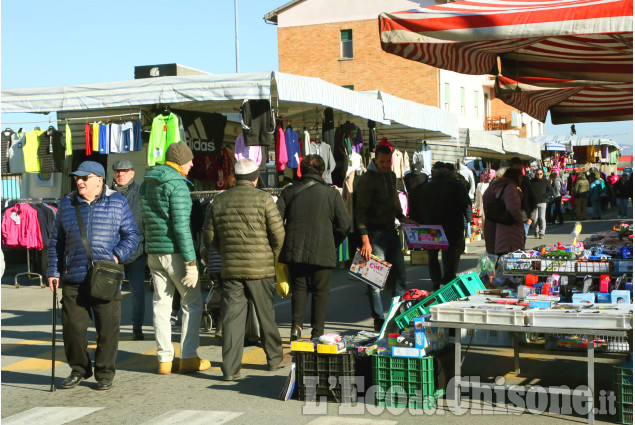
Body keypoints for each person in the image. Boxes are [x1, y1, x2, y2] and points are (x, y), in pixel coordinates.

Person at [47, 161, 140, 391]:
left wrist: (117, 257)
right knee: (72, 329)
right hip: (73, 276)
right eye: (77, 178)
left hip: (105, 277)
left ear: (99, 180)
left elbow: (132, 236)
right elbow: (55, 243)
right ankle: (80, 369)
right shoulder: (67, 203)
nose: (79, 181)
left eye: (85, 178)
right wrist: (52, 271)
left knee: (107, 330)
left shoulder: (118, 202)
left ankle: (105, 373)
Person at [204, 158, 289, 381]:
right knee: (265, 313)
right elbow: (278, 235)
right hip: (261, 269)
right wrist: (275, 258)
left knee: (232, 318)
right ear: (255, 177)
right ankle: (274, 358)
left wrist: (224, 253)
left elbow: (210, 236)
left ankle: (231, 369)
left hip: (230, 268)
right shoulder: (264, 199)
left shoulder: (219, 200)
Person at [140, 141, 210, 375]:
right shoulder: (177, 184)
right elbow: (181, 227)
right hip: (176, 253)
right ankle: (189, 356)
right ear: (180, 161)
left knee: (161, 305)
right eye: (189, 160)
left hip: (154, 252)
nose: (192, 164)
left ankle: (164, 360)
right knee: (191, 302)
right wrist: (191, 263)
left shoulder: (148, 181)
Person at [276, 155, 352, 340]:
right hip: (322, 251)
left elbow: (276, 221)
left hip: (295, 251)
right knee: (320, 292)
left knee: (300, 289)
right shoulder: (331, 194)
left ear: (301, 170)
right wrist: (332, 241)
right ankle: (317, 333)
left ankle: (296, 326)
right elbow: (345, 224)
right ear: (322, 172)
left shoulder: (288, 192)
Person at [355, 144, 417, 332]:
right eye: (382, 162)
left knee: (401, 279)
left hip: (391, 232)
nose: (386, 165)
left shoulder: (390, 176)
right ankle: (379, 319)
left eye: (388, 162)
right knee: (374, 281)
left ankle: (395, 317)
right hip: (374, 235)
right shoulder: (366, 179)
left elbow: (394, 201)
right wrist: (365, 240)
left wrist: (403, 217)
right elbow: (360, 211)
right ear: (375, 160)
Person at [410, 162, 471, 290]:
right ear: (447, 172)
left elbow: (418, 207)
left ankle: (436, 280)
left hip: (431, 226)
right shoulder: (457, 185)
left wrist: (418, 222)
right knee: (450, 254)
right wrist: (468, 219)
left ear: (433, 173)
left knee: (432, 254)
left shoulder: (425, 187)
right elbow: (466, 204)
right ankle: (448, 278)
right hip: (453, 225)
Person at [111, 159, 147, 341]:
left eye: (125, 171)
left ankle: (137, 329)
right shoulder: (106, 194)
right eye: (118, 171)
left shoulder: (141, 193)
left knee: (137, 292)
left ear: (132, 173)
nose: (121, 174)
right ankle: (111, 329)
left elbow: (146, 221)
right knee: (111, 294)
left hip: (137, 251)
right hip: (112, 253)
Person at [482, 168, 525, 255]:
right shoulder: (509, 187)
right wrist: (520, 222)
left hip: (496, 225)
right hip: (509, 232)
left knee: (495, 255)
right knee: (510, 259)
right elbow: (512, 208)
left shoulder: (496, 186)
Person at [510, 157, 536, 235]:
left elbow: (533, 199)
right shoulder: (507, 182)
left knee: (521, 242)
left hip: (524, 218)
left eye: (519, 170)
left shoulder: (526, 181)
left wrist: (531, 218)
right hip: (510, 220)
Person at [529, 169, 551, 239]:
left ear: (542, 174)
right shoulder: (532, 182)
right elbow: (528, 190)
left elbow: (550, 191)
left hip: (543, 202)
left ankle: (542, 232)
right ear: (535, 174)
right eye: (537, 174)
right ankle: (536, 230)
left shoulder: (546, 181)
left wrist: (545, 195)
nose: (539, 175)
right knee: (535, 219)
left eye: (540, 174)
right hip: (534, 202)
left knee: (541, 218)